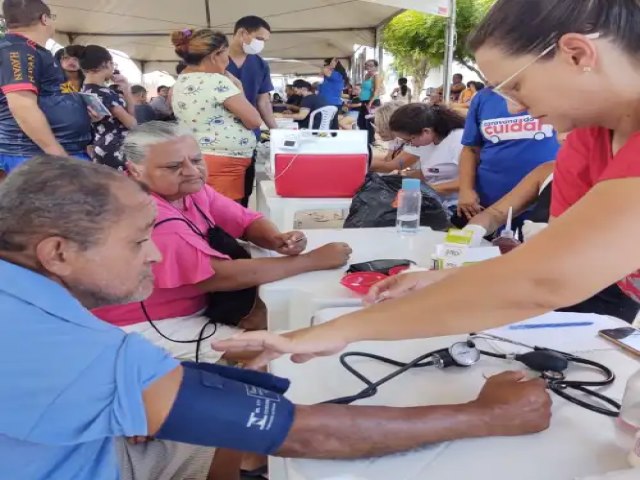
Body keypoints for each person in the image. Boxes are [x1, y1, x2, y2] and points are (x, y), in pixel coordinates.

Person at [0, 155, 553, 480]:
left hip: (71, 447)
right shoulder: (60, 348)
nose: (155, 255)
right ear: (58, 253)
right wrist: (487, 416)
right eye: (140, 241)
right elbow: (303, 435)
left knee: (243, 406)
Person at [212, 0, 640, 370]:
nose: (513, 106)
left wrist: (341, 331)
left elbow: (544, 280)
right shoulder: (589, 137)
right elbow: (554, 260)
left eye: (517, 86)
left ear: (577, 55)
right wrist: (448, 279)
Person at [92, 121, 353, 363]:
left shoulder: (188, 190)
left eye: (196, 160)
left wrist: (276, 239)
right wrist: (311, 261)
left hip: (197, 300)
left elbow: (244, 220)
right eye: (173, 167)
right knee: (275, 352)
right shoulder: (149, 216)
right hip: (149, 322)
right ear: (135, 171)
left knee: (272, 316)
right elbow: (216, 275)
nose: (192, 171)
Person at [380, 160, 639, 323]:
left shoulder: (625, 181)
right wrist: (467, 237)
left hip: (601, 300)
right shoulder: (548, 171)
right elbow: (495, 214)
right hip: (530, 286)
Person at [0, 0, 92, 177]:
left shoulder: (36, 51)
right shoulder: (18, 50)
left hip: (53, 152)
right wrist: (56, 152)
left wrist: (81, 108)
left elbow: (57, 92)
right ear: (45, 19)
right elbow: (22, 106)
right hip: (34, 155)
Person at [170, 29, 261, 202]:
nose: (228, 60)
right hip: (224, 163)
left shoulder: (181, 81)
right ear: (214, 55)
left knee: (205, 209)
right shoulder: (216, 81)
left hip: (197, 155)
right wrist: (239, 87)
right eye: (226, 54)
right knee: (225, 215)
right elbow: (254, 121)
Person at [454, 86, 560, 228]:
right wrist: (466, 190)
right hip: (491, 200)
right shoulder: (483, 98)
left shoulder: (554, 92)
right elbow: (470, 149)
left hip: (546, 196)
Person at [227, 15, 277, 207]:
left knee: (244, 188)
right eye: (260, 39)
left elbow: (263, 101)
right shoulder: (215, 59)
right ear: (242, 33)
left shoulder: (260, 64)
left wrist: (276, 130)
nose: (262, 44)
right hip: (216, 134)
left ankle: (238, 230)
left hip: (248, 135)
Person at [389, 103, 466, 210]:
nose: (411, 145)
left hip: (459, 205)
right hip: (437, 201)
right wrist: (403, 178)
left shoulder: (459, 141)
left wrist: (426, 189)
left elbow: (471, 181)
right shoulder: (426, 143)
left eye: (410, 140)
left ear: (426, 131)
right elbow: (431, 172)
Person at [80, 45, 137, 171]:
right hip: (117, 149)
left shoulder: (86, 90)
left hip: (101, 147)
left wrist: (125, 89)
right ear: (105, 63)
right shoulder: (105, 93)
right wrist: (127, 90)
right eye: (112, 63)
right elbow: (132, 123)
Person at [369, 101, 420, 174]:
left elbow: (392, 166)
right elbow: (388, 160)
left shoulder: (416, 142)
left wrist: (361, 163)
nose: (378, 130)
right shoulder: (396, 141)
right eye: (377, 125)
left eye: (383, 126)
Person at [358, 59, 383, 145]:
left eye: (371, 65)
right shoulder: (366, 75)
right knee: (360, 122)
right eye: (367, 65)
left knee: (369, 123)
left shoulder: (376, 76)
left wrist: (370, 102)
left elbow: (377, 90)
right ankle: (366, 140)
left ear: (376, 67)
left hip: (372, 101)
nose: (368, 67)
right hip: (364, 101)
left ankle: (371, 141)